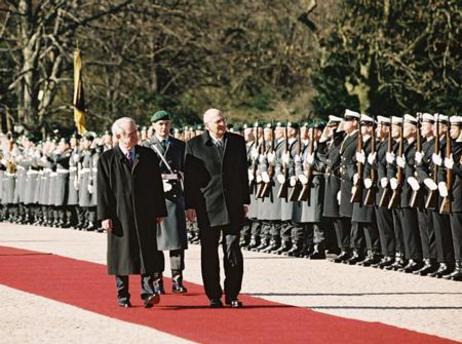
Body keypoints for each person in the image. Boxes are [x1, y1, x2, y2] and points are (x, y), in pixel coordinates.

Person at [97, 117, 167, 308]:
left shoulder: (147, 155)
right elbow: (103, 191)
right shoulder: (107, 159)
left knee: (147, 251)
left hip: (144, 212)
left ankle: (148, 292)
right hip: (120, 214)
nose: (136, 136)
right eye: (131, 133)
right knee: (122, 254)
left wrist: (160, 210)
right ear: (118, 136)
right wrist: (105, 216)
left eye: (136, 132)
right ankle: (123, 294)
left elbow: (156, 186)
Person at [184, 108, 249, 308]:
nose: (222, 124)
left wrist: (245, 200)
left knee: (233, 250)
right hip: (207, 206)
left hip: (232, 205)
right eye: (217, 122)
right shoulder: (194, 145)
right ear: (207, 125)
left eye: (223, 120)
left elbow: (242, 174)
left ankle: (232, 294)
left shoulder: (237, 142)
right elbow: (190, 180)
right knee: (209, 252)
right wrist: (190, 205)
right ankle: (213, 295)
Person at [145, 110, 188, 294]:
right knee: (157, 242)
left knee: (177, 241)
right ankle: (158, 280)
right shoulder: (147, 146)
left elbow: (186, 170)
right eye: (160, 124)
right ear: (153, 126)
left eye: (166, 124)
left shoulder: (179, 145)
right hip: (156, 197)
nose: (164, 128)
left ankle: (177, 280)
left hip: (175, 196)